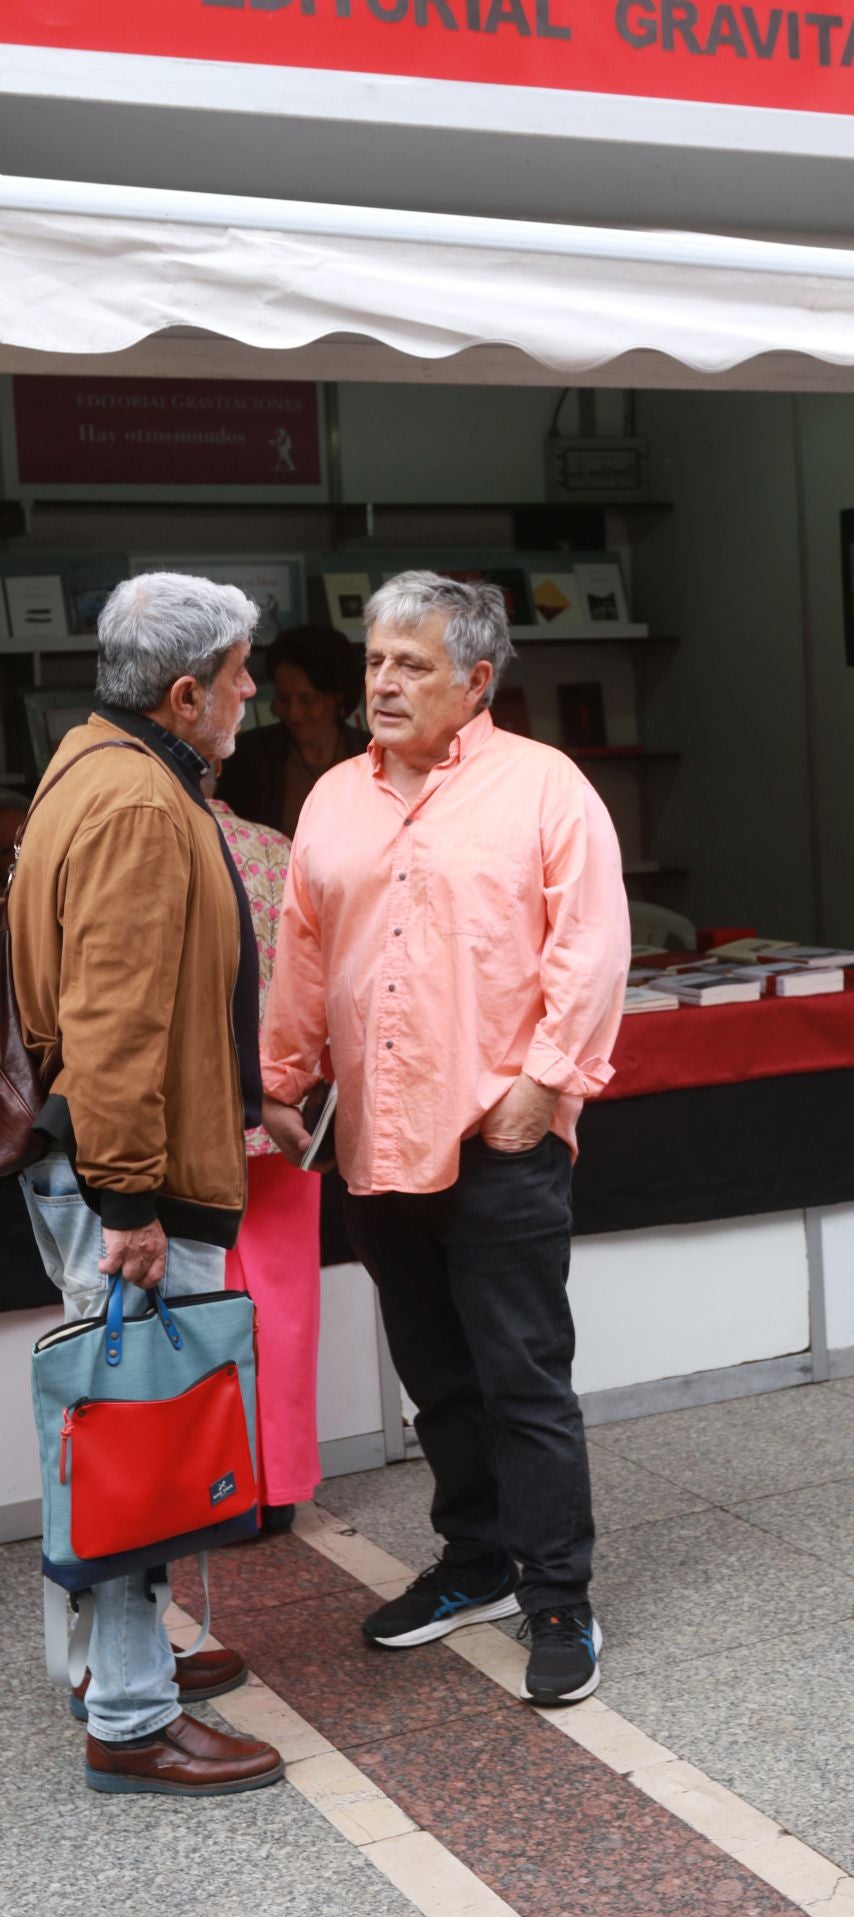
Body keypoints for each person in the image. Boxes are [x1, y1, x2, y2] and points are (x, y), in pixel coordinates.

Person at [259, 570, 630, 1707]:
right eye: (375, 661)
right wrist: (281, 1079)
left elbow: (592, 946)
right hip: (374, 1139)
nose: (381, 682)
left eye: (409, 664)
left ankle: (557, 1591)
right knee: (435, 1374)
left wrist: (544, 1087)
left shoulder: (543, 787)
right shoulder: (332, 797)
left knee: (522, 1376)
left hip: (498, 1134)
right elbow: (303, 947)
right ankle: (474, 1562)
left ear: (475, 681)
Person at [10, 571, 284, 1797]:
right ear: (186, 693)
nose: (252, 693)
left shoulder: (96, 763)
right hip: (136, 1177)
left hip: (122, 1163)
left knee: (112, 1427)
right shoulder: (136, 805)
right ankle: (129, 1716)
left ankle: (99, 1669)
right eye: (238, 675)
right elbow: (113, 1019)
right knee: (139, 1436)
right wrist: (128, 1201)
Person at [206, 773, 323, 1532]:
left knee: (198, 1306)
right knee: (283, 1304)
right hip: (282, 1112)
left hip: (190, 1119)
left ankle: (214, 1485)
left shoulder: (149, 850)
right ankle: (277, 1487)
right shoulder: (276, 851)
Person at [216, 623, 369, 836]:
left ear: (337, 697)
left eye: (306, 699)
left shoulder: (371, 755)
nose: (293, 713)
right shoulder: (249, 758)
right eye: (283, 698)